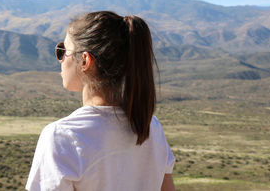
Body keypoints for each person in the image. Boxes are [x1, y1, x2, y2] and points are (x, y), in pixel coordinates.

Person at [25, 11, 175, 191]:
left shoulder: (62, 136)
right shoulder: (151, 126)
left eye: (63, 50)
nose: (61, 59)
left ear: (85, 61)